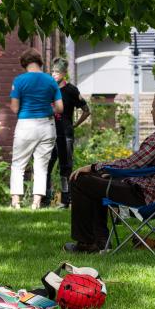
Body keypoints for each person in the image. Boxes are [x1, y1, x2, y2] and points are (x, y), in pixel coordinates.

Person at [64, 88, 155, 253]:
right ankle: (98, 243)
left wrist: (94, 166)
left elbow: (131, 164)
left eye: (153, 108)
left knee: (80, 180)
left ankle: (89, 244)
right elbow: (141, 165)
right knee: (95, 179)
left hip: (144, 195)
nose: (151, 111)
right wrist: (105, 171)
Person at [9, 48, 64, 209]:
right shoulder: (50, 81)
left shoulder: (19, 80)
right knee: (41, 166)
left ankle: (16, 202)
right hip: (47, 125)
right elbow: (60, 108)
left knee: (18, 163)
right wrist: (48, 110)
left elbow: (14, 108)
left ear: (24, 64)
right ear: (40, 62)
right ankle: (36, 203)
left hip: (26, 125)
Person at [45, 58, 90, 208]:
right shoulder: (49, 89)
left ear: (64, 73)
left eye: (57, 72)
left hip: (65, 134)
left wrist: (75, 124)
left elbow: (86, 110)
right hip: (49, 133)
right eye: (52, 71)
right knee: (46, 165)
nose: (54, 74)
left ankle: (65, 200)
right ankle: (45, 198)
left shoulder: (71, 90)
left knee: (65, 167)